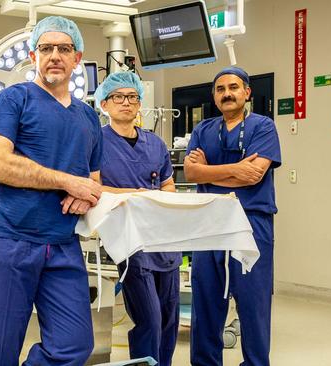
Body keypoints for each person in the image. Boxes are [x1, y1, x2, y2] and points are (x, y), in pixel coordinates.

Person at [0, 16, 103, 365]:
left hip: (61, 243)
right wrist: (66, 182)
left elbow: (95, 179)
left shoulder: (88, 118)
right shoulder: (13, 100)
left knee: (74, 345)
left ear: (78, 58)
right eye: (46, 48)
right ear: (33, 56)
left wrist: (85, 193)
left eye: (63, 48)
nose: (54, 55)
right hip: (9, 238)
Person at [184, 66, 281, 366]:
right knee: (206, 300)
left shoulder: (263, 127)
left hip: (250, 223)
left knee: (253, 303)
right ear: (214, 96)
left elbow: (254, 175)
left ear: (247, 92)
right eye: (221, 89)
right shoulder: (203, 130)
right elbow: (190, 171)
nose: (227, 93)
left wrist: (208, 174)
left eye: (234, 87)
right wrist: (235, 170)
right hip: (209, 224)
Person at [94, 71, 180, 366]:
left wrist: (164, 199)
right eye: (118, 97)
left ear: (139, 104)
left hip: (164, 238)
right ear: (104, 104)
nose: (126, 103)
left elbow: (168, 184)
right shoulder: (96, 141)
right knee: (150, 318)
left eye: (132, 97)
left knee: (169, 317)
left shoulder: (155, 144)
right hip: (128, 239)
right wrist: (136, 194)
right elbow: (92, 186)